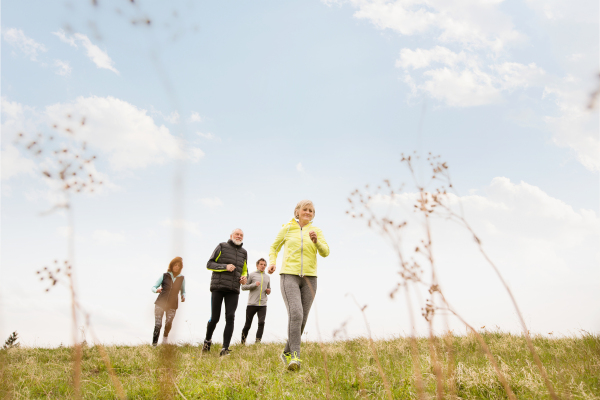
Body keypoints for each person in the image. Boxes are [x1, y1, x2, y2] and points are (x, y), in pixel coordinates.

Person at [268, 200, 329, 371]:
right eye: (305, 209)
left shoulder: (316, 231)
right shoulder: (287, 228)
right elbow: (274, 247)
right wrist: (272, 262)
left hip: (310, 278)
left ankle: (286, 351)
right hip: (289, 276)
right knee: (296, 313)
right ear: (297, 211)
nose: (308, 212)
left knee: (303, 318)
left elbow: (326, 252)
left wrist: (316, 242)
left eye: (311, 210)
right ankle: (295, 357)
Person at [202, 228, 248, 356]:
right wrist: (225, 267)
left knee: (230, 317)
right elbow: (209, 264)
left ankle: (225, 349)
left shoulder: (244, 252)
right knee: (215, 318)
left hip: (233, 289)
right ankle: (207, 341)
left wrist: (245, 278)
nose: (239, 236)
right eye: (237, 234)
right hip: (218, 287)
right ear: (231, 235)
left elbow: (244, 270)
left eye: (241, 235)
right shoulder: (222, 246)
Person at [151, 256, 186, 346]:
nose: (177, 267)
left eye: (179, 265)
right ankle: (154, 345)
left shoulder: (181, 278)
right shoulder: (165, 275)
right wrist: (156, 290)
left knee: (169, 322)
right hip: (160, 303)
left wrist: (183, 296)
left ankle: (165, 339)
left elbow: (183, 291)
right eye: (175, 265)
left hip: (172, 304)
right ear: (172, 265)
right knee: (158, 324)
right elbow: (153, 287)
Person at [240, 258, 271, 344]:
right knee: (247, 325)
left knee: (261, 323)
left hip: (263, 305)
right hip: (252, 304)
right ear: (257, 265)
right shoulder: (251, 275)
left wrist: (269, 291)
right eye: (261, 264)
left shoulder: (267, 277)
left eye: (264, 265)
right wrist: (254, 285)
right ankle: (242, 342)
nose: (263, 266)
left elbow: (269, 288)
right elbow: (243, 287)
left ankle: (257, 343)